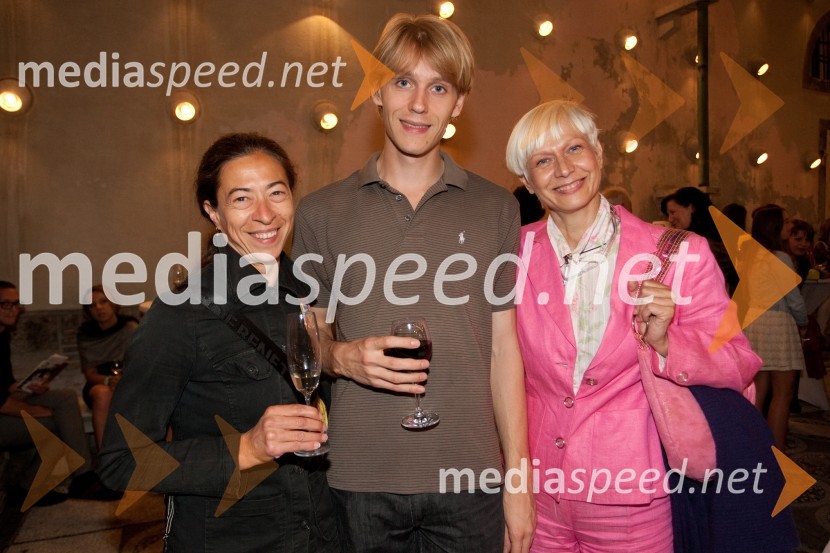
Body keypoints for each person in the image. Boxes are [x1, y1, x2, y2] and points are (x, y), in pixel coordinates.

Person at [292, 13, 534, 553]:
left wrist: (518, 482)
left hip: (470, 477)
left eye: (438, 86)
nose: (419, 104)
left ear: (459, 103)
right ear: (377, 90)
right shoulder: (321, 213)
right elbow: (305, 341)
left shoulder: (497, 208)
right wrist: (341, 358)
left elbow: (504, 350)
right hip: (359, 476)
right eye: (403, 81)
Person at [505, 101, 760, 552]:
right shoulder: (510, 256)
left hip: (631, 495)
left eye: (574, 148)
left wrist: (668, 342)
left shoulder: (680, 254)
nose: (563, 168)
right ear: (527, 182)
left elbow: (739, 361)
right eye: (543, 160)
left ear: (599, 153)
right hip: (536, 493)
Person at [98, 134, 338, 552]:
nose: (265, 214)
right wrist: (246, 447)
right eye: (242, 199)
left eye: (276, 193)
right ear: (214, 212)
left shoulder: (310, 294)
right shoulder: (181, 314)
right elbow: (122, 461)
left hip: (320, 531)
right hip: (233, 538)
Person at [0, 281, 110, 506]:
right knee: (58, 421)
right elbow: (2, 404)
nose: (13, 309)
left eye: (17, 304)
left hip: (6, 404)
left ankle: (79, 476)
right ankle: (77, 479)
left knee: (66, 398)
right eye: (5, 304)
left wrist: (28, 386)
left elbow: (7, 385)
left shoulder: (3, 335)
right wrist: (39, 411)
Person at [744, 204, 807, 450]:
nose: (790, 224)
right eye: (786, 221)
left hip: (754, 322)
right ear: (775, 226)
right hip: (778, 325)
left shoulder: (750, 254)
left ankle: (752, 448)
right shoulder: (780, 257)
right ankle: (776, 453)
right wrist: (803, 323)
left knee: (757, 393)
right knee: (782, 396)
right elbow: (793, 299)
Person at [77, 285, 139, 449]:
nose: (99, 308)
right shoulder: (86, 333)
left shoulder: (129, 328)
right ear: (88, 311)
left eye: (103, 301)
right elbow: (89, 373)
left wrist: (125, 380)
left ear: (113, 303)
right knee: (102, 394)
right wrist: (108, 380)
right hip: (100, 381)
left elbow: (142, 361)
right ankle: (104, 456)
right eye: (92, 305)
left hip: (129, 378)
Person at [661, 187, 738, 295]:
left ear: (691, 207)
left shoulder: (707, 244)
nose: (670, 219)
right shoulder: (717, 236)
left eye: (673, 212)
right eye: (668, 214)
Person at [784, 218, 815, 284]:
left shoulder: (804, 263)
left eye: (807, 240)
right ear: (787, 239)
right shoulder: (780, 259)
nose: (803, 244)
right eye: (798, 239)